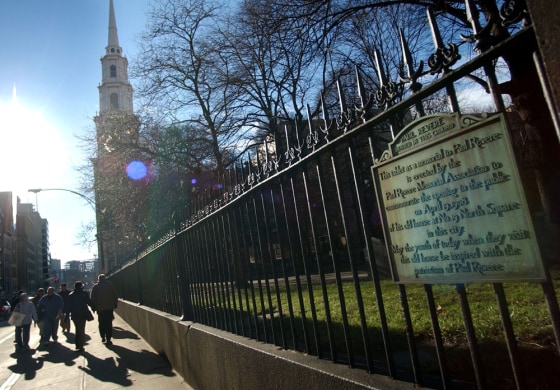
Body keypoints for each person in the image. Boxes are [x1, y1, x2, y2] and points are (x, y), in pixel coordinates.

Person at [90, 274, 118, 345]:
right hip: (109, 308)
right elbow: (115, 294)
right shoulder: (110, 285)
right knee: (109, 323)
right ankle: (108, 339)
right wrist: (115, 304)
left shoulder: (95, 287)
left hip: (100, 309)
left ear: (98, 279)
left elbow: (92, 298)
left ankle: (103, 336)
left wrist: (93, 308)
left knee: (101, 323)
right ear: (105, 278)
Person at [66, 281, 94, 352]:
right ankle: (80, 345)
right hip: (82, 314)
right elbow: (89, 302)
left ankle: (78, 344)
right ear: (81, 286)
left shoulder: (71, 295)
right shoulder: (84, 294)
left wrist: (67, 316)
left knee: (78, 329)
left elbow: (68, 306)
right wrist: (94, 307)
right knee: (81, 329)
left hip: (74, 315)